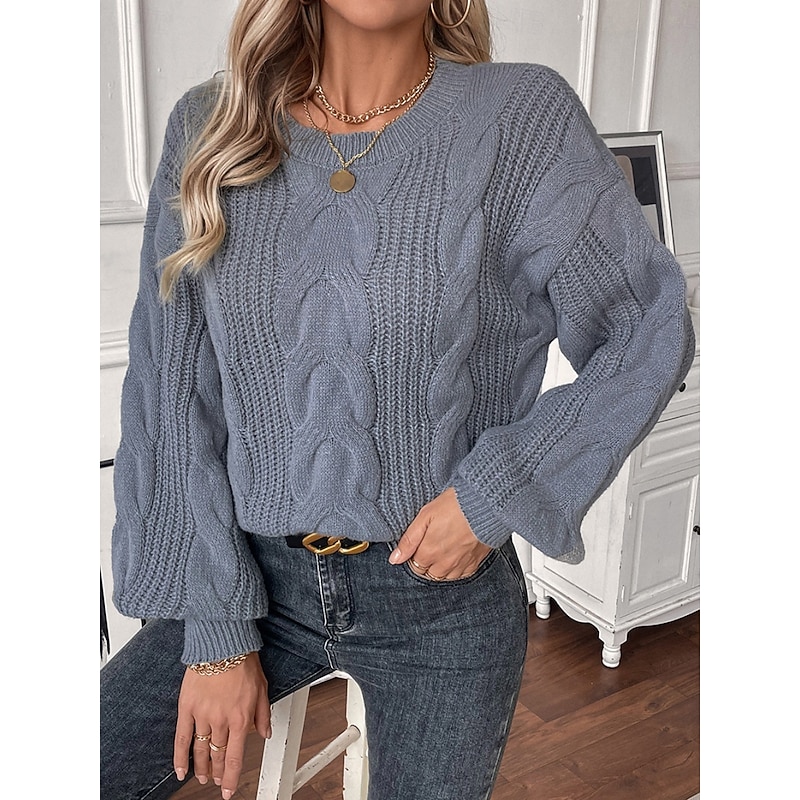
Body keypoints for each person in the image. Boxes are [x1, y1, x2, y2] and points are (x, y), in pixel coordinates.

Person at [100, 1, 695, 798]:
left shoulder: (521, 119)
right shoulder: (212, 127)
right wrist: (216, 632)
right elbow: (171, 392)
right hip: (246, 575)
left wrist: (494, 493)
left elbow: (647, 326)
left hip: (439, 599)